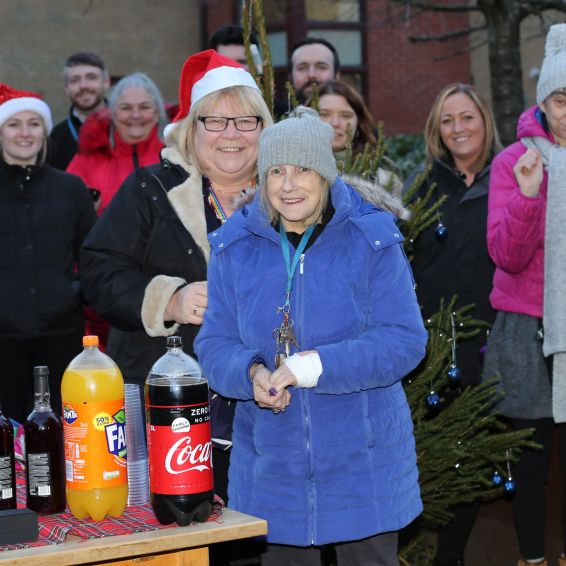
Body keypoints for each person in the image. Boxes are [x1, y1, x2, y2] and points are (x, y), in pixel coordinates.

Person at [194, 107, 428, 565]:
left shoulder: (371, 240)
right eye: (276, 171)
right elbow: (213, 344)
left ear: (325, 173)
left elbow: (403, 340)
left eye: (302, 170)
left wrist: (313, 367)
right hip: (271, 469)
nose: (287, 185)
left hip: (365, 465)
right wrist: (252, 373)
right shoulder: (234, 248)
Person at [80, 49, 272, 518]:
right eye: (216, 121)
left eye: (246, 121)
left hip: (264, 405)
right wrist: (169, 298)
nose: (232, 135)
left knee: (255, 530)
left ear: (264, 129)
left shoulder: (286, 191)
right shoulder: (151, 189)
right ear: (192, 127)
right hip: (168, 407)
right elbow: (99, 271)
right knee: (176, 532)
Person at [403, 83, 501, 566]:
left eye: (467, 117)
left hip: (497, 339)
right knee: (444, 451)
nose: (459, 128)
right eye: (448, 120)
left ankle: (457, 555)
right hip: (436, 347)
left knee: (484, 451)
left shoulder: (509, 178)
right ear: (436, 131)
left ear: (485, 120)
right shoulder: (421, 189)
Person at [484, 23, 566, 566]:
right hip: (527, 328)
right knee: (530, 461)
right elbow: (506, 256)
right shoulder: (514, 161)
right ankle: (533, 558)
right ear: (545, 102)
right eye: (561, 99)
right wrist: (532, 196)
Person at [0, 83, 97, 422]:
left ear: (44, 131)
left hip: (61, 336)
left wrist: (73, 294)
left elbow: (93, 256)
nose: (24, 133)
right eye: (14, 124)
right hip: (3, 340)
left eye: (33, 124)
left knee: (62, 434)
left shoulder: (70, 189)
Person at [67, 72, 166, 216]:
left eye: (144, 107)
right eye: (125, 108)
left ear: (157, 113)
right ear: (113, 114)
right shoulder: (87, 160)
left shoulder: (177, 156)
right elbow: (65, 215)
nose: (135, 115)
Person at [313, 79, 402, 193]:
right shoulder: (286, 169)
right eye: (324, 114)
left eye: (345, 115)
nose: (334, 123)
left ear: (359, 124)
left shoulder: (385, 179)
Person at [50, 52, 110, 170]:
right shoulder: (54, 139)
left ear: (106, 83)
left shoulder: (125, 129)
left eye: (91, 77)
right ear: (66, 89)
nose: (83, 85)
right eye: (75, 80)